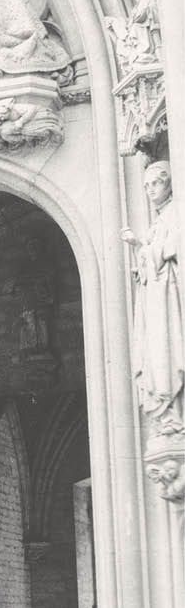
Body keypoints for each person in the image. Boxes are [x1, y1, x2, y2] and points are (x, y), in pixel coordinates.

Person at [121, 162, 183, 434]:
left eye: (155, 183)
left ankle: (174, 415)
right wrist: (140, 247)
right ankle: (167, 413)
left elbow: (171, 250)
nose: (150, 190)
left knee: (166, 349)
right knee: (155, 353)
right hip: (156, 296)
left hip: (168, 295)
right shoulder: (159, 219)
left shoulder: (175, 213)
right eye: (146, 186)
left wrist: (140, 246)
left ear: (169, 183)